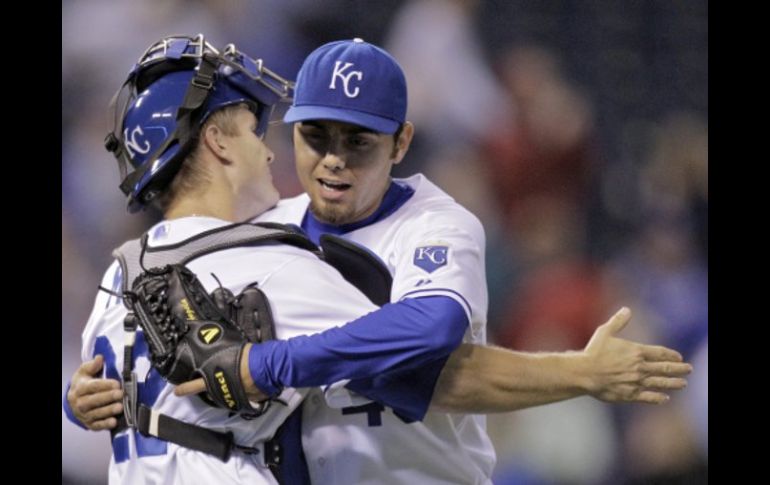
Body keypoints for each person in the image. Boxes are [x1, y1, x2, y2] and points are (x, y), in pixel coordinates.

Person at [67, 38, 692, 485]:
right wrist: (88, 398)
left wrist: (268, 365)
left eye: (358, 140)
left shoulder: (436, 222)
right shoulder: (263, 237)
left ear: (401, 142)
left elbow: (433, 340)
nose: (333, 159)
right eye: (315, 136)